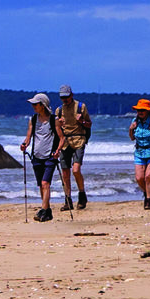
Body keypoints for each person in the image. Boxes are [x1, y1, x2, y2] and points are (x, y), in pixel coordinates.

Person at [20, 92, 59, 222]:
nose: (33, 106)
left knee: (45, 183)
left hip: (50, 156)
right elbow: (28, 136)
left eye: (35, 104)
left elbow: (62, 138)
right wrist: (24, 144)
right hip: (36, 156)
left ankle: (43, 210)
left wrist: (57, 150)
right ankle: (47, 211)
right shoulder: (33, 119)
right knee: (41, 186)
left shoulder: (54, 120)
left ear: (43, 105)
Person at [55, 84, 93, 212]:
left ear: (72, 95)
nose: (65, 100)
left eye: (66, 97)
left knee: (76, 170)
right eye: (62, 97)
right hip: (65, 142)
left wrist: (81, 121)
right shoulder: (59, 110)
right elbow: (57, 130)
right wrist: (58, 125)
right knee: (65, 172)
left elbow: (89, 124)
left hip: (79, 140)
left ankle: (82, 195)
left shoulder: (81, 107)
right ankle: (68, 200)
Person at [129, 97, 150, 210]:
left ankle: (148, 200)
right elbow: (132, 138)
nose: (140, 113)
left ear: (148, 111)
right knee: (139, 178)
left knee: (148, 176)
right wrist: (130, 129)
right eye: (138, 110)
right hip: (139, 151)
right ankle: (148, 192)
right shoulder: (135, 122)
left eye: (142, 110)